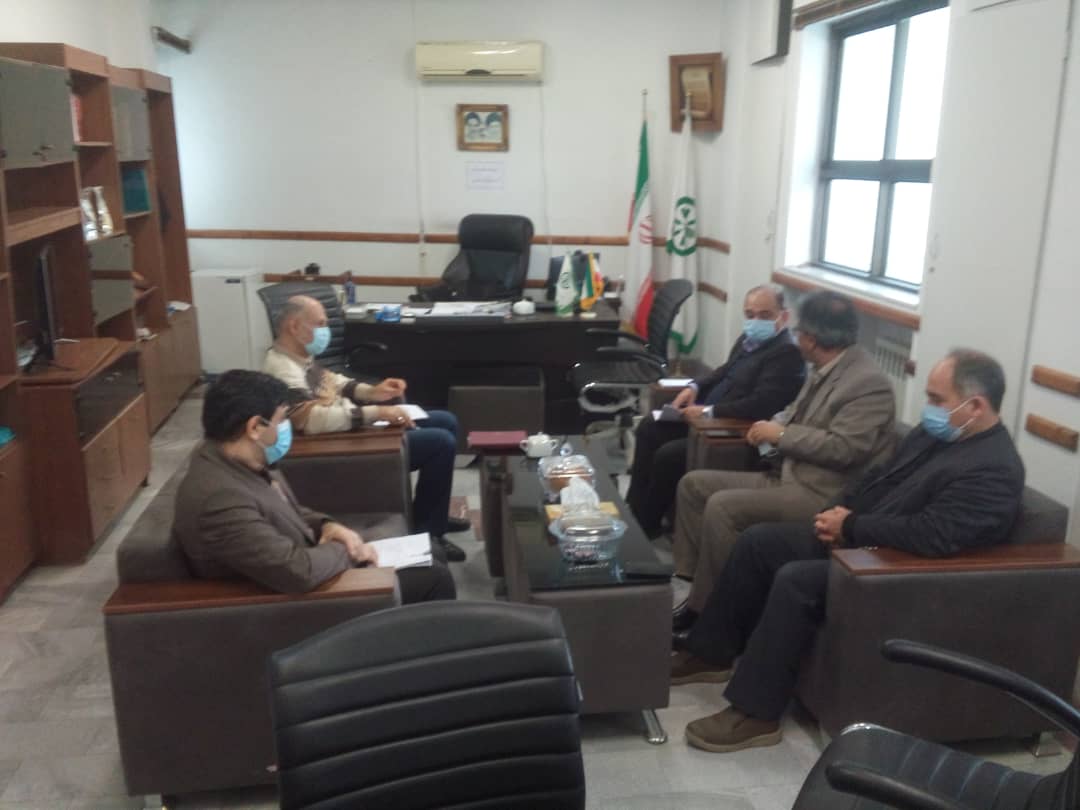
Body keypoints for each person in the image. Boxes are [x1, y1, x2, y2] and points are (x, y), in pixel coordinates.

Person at [671, 349, 1025, 753]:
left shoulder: (994, 468)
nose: (928, 408)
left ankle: (756, 713)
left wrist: (853, 527)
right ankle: (710, 652)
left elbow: (935, 535)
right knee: (759, 542)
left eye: (936, 399)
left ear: (975, 406)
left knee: (797, 580)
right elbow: (879, 478)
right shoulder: (935, 435)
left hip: (898, 572)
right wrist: (837, 512)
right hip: (863, 540)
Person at [672, 290, 896, 626]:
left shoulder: (867, 383)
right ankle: (691, 586)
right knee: (693, 486)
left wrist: (780, 436)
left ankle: (711, 614)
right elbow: (791, 414)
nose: (795, 336)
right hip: (787, 472)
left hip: (821, 492)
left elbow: (845, 448)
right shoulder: (823, 367)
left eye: (799, 330)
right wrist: (770, 430)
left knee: (723, 507)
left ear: (812, 338)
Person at [173, 370, 457, 603]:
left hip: (310, 558)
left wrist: (328, 525)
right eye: (282, 420)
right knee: (434, 578)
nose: (286, 428)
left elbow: (285, 511)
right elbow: (297, 572)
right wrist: (348, 549)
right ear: (255, 427)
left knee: (431, 551)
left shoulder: (240, 458)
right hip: (299, 603)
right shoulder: (220, 499)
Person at [262, 295, 469, 562]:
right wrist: (376, 413)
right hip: (330, 444)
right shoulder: (281, 368)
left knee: (445, 421)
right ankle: (429, 532)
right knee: (440, 443)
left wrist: (373, 392)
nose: (326, 330)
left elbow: (334, 381)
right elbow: (308, 419)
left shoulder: (300, 357)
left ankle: (432, 514)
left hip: (342, 428)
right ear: (294, 326)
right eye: (320, 323)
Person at [625, 284, 805, 539]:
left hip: (730, 429)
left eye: (764, 315)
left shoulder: (787, 353)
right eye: (750, 314)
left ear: (783, 316)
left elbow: (761, 404)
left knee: (669, 455)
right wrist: (694, 386)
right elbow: (724, 370)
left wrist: (709, 411)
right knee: (648, 427)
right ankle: (632, 509)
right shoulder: (749, 339)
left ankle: (646, 525)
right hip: (704, 419)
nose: (755, 321)